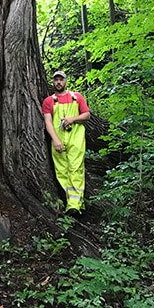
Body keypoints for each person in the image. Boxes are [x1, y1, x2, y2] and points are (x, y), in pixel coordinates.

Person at [42, 71, 90, 218]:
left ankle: (74, 206)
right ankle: (73, 203)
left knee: (75, 169)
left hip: (76, 138)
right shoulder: (49, 101)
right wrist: (55, 140)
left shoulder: (77, 97)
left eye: (61, 79)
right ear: (53, 82)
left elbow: (86, 115)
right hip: (58, 139)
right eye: (56, 80)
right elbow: (48, 122)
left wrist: (73, 119)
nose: (58, 82)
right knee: (62, 172)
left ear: (66, 81)